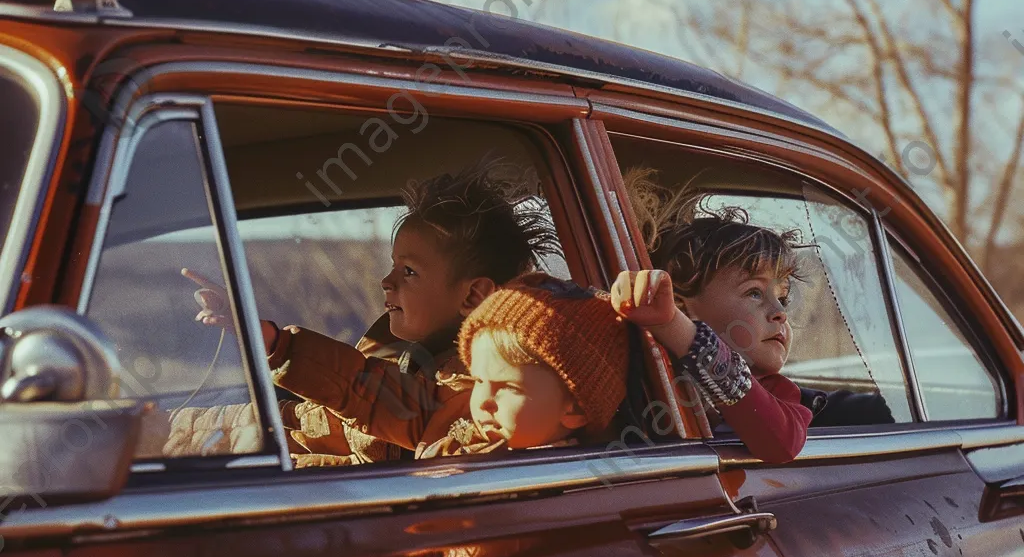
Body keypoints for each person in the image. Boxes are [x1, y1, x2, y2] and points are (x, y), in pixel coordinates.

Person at [171, 161, 561, 465]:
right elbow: (315, 424)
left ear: (473, 294)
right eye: (393, 266)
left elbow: (386, 402)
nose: (385, 282)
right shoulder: (401, 356)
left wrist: (276, 342)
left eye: (409, 271)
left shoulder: (481, 385)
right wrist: (180, 429)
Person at [265, 272, 629, 459]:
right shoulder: (457, 423)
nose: (482, 400)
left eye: (509, 388)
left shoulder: (553, 484)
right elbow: (370, 392)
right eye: (480, 380)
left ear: (576, 408)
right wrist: (282, 347)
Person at [613, 179, 812, 464]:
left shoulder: (778, 390)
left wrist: (674, 327)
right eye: (754, 292)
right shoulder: (648, 370)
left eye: (783, 297)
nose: (780, 311)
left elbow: (783, 443)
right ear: (683, 307)